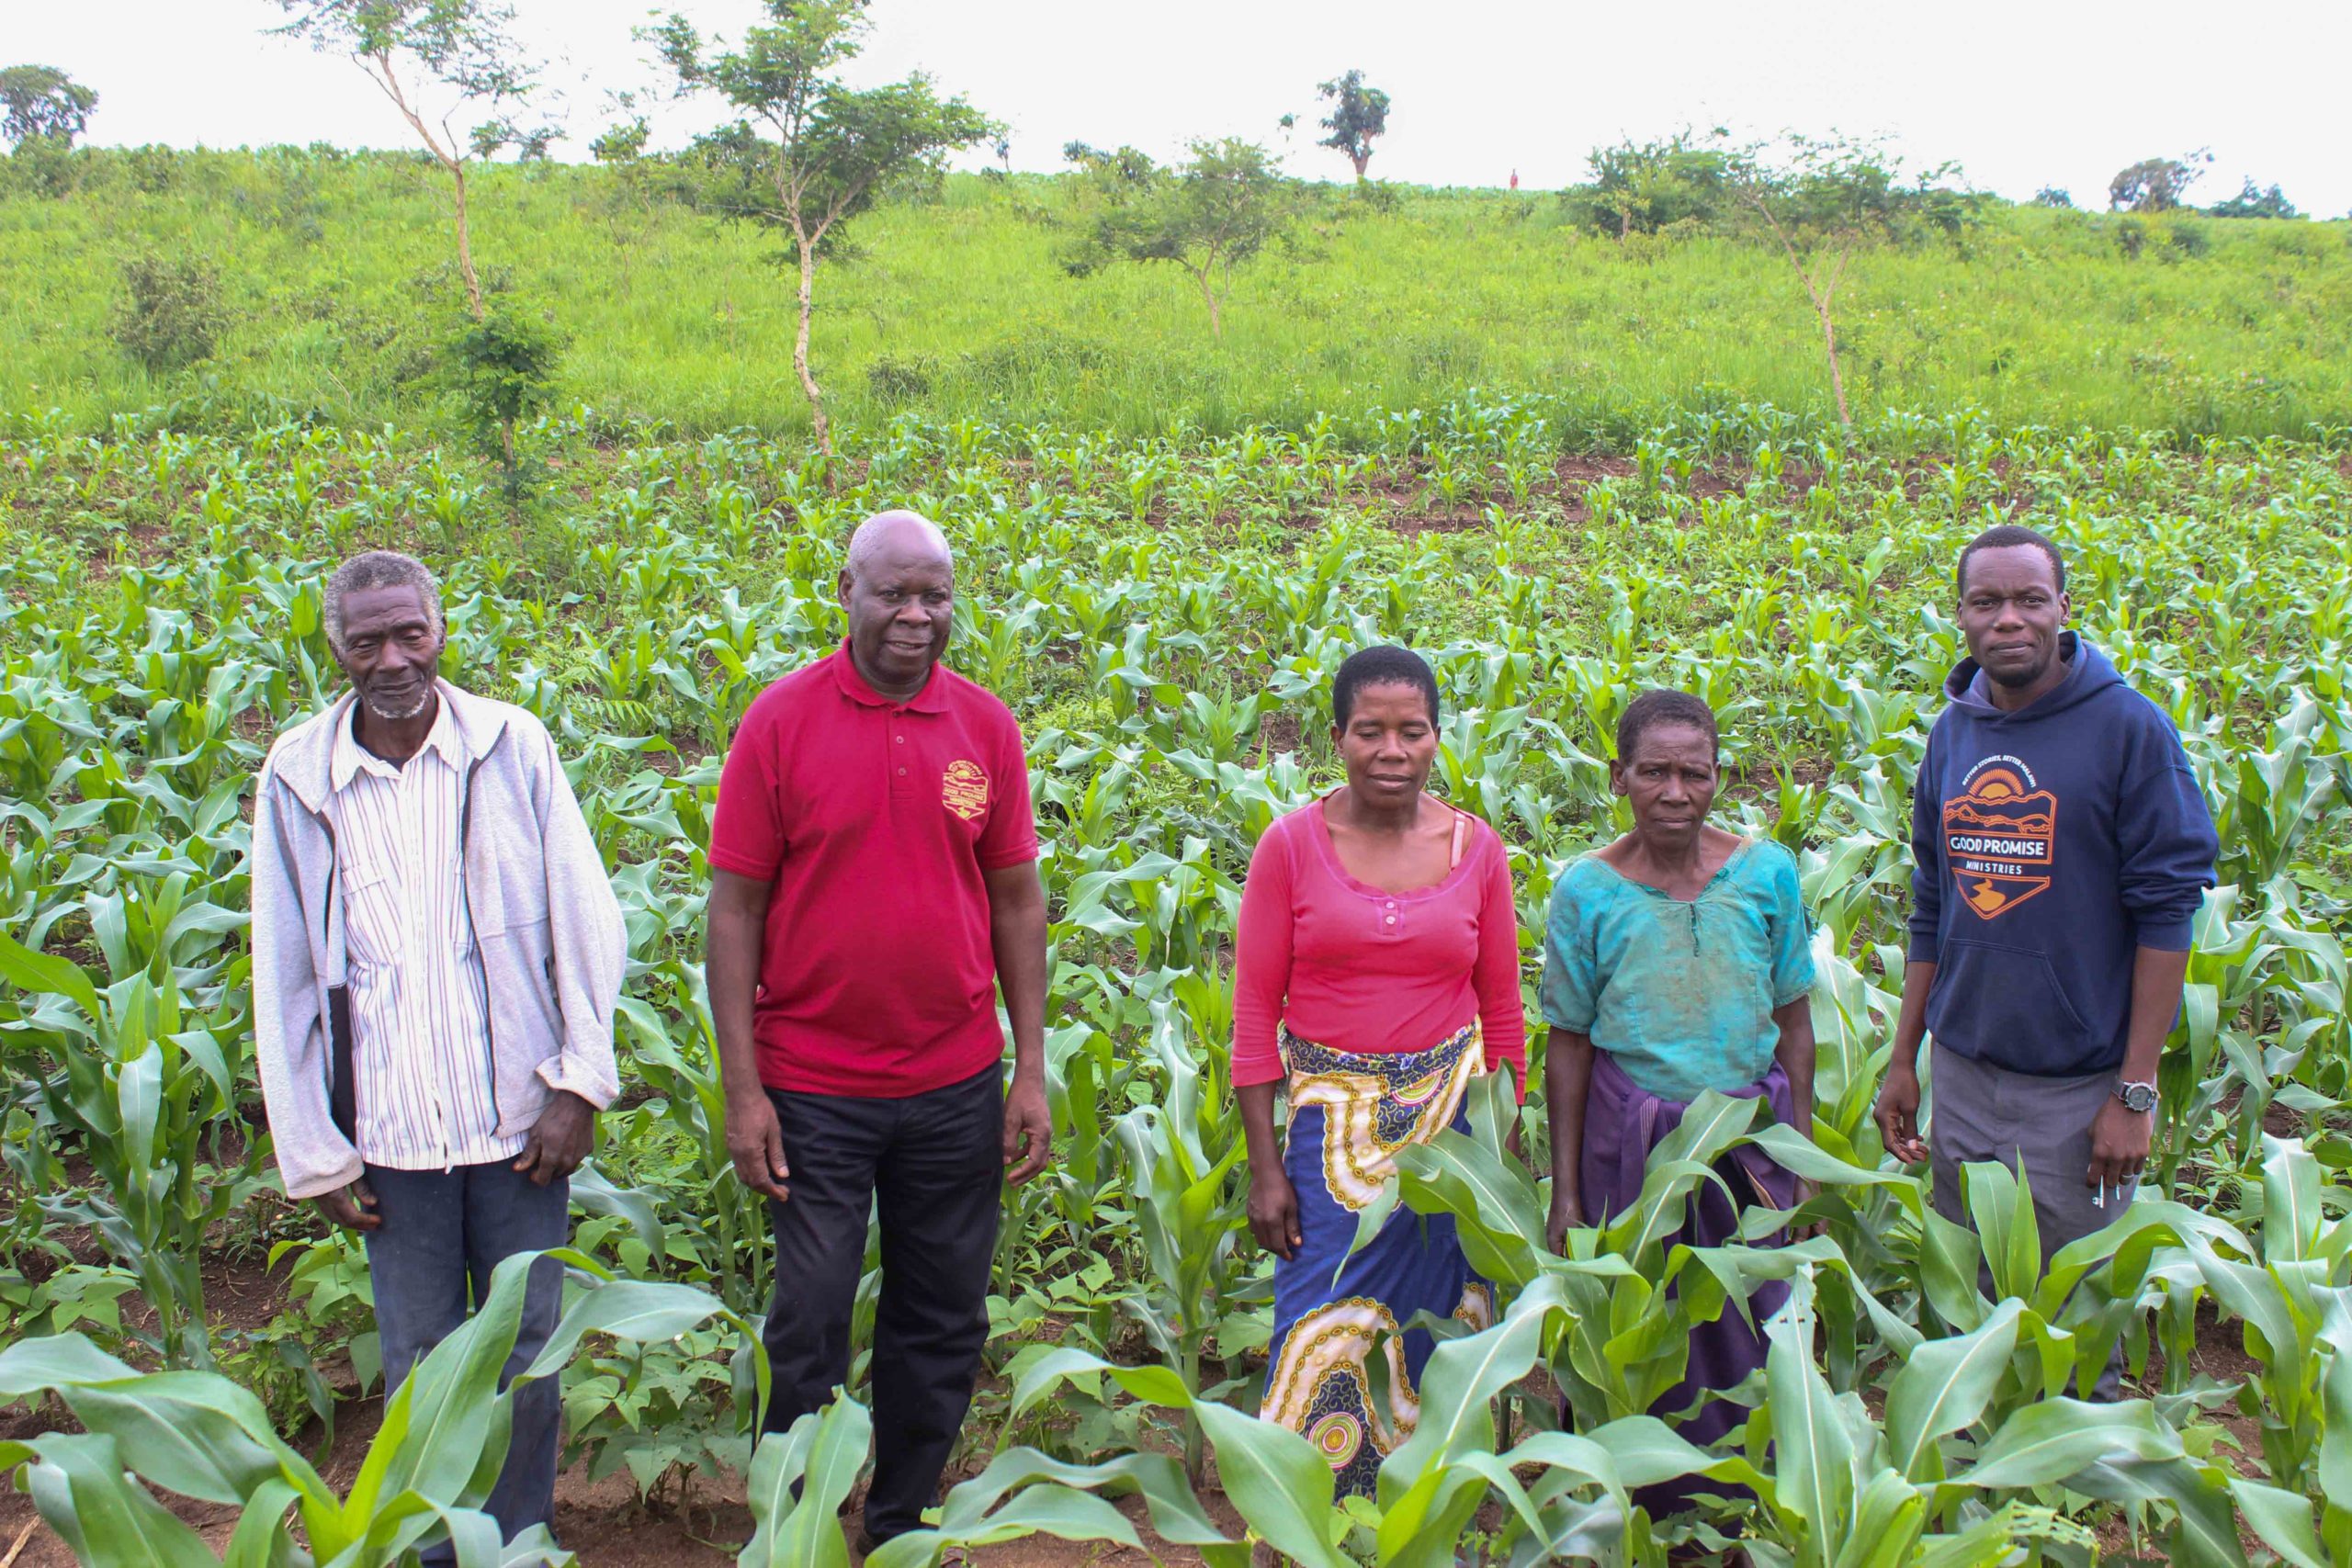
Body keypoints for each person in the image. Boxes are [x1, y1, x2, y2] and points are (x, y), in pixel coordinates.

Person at [252, 549, 625, 1560]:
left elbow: (585, 920)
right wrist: (315, 1152)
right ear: (334, 646)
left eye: (408, 632)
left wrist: (579, 1082)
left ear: (440, 629)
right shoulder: (299, 774)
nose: (391, 658)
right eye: (366, 639)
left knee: (526, 1355)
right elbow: (282, 974)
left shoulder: (511, 745)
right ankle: (437, 1552)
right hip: (392, 1137)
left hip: (518, 1127)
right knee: (422, 1363)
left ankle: (521, 1544)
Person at [705, 510, 1053, 1553]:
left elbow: (1017, 899)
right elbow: (734, 910)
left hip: (952, 1083)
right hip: (811, 1086)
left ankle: (898, 1522)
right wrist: (743, 1088)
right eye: (893, 594)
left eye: (933, 597)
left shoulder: (983, 725)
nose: (915, 616)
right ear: (845, 592)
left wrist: (1028, 1067)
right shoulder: (781, 720)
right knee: (807, 1320)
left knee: (941, 1319)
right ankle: (799, 1519)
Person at [1875, 525, 2217, 1387]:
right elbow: (1932, 904)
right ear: (1960, 616)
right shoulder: (1953, 734)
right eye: (1986, 601)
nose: (2009, 619)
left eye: (2031, 599)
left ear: (2065, 608)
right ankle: (1986, 1479)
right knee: (1973, 1300)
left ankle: (2070, 1494)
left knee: (2074, 1325)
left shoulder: (2129, 731)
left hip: (2076, 1092)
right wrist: (1903, 1057)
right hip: (1964, 1074)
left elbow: (2167, 915)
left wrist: (2133, 1091)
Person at [1235, 644, 1526, 1498]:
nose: (1391, 750)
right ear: (1338, 737)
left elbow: (1502, 1012)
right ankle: (1305, 1530)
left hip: (1449, 1132)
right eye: (1371, 731)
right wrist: (1266, 1169)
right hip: (1330, 1136)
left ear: (1438, 738)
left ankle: (1420, 1526)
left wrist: (1500, 1161)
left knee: (1438, 1336)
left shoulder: (1476, 850)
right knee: (1318, 1328)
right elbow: (1255, 1016)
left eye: (1412, 730)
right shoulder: (1290, 847)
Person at [1541, 689, 1815, 1500]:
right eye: (1653, 771)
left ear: (1718, 779)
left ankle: (1744, 1508)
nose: (1674, 791)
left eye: (1694, 773)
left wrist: (1798, 1150)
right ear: (1617, 775)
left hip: (1747, 1137)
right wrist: (1567, 1189)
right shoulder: (1588, 891)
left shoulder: (1765, 873)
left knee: (1753, 1323)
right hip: (1633, 1140)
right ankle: (1640, 1509)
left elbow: (1795, 1025)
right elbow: (1569, 1042)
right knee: (1641, 1326)